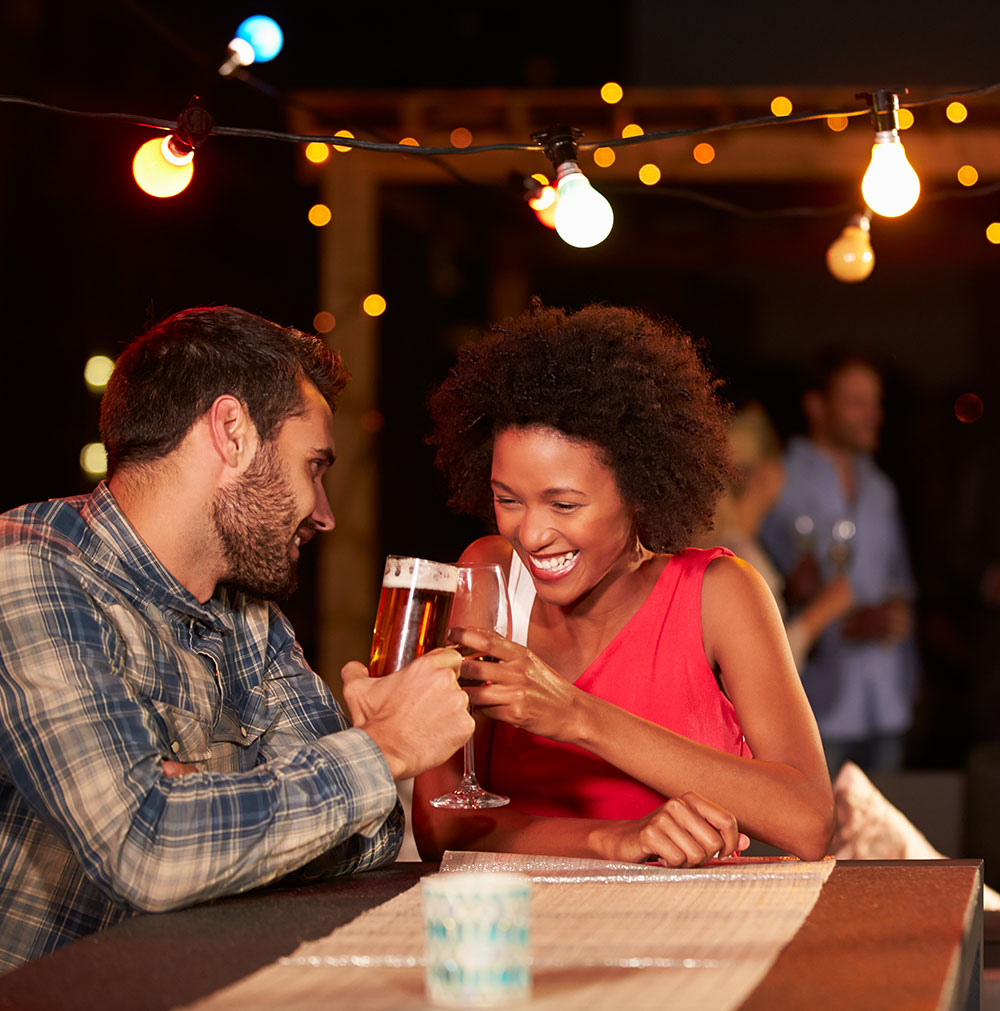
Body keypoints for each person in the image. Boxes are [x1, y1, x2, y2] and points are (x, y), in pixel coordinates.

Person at [0, 306, 474, 973]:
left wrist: (208, 802)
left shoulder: (249, 612)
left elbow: (369, 837)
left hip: (190, 981)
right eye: (314, 466)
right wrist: (382, 748)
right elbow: (147, 849)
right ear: (232, 431)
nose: (326, 512)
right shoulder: (29, 568)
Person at [412, 302, 835, 866]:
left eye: (564, 504)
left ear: (639, 491)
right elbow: (442, 824)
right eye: (507, 499)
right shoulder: (490, 577)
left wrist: (578, 715)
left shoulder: (718, 593)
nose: (531, 534)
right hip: (532, 926)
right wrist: (614, 839)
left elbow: (808, 822)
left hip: (696, 935)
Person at [760, 351, 918, 776]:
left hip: (885, 697)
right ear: (817, 406)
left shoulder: (881, 489)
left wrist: (895, 616)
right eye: (857, 402)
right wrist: (797, 596)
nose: (873, 414)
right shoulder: (776, 477)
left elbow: (898, 578)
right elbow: (739, 572)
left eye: (875, 402)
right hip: (813, 701)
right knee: (814, 837)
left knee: (881, 835)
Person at [700, 402, 854, 670]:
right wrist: (819, 614)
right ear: (766, 474)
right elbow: (766, 672)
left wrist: (791, 595)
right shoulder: (742, 562)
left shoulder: (714, 547)